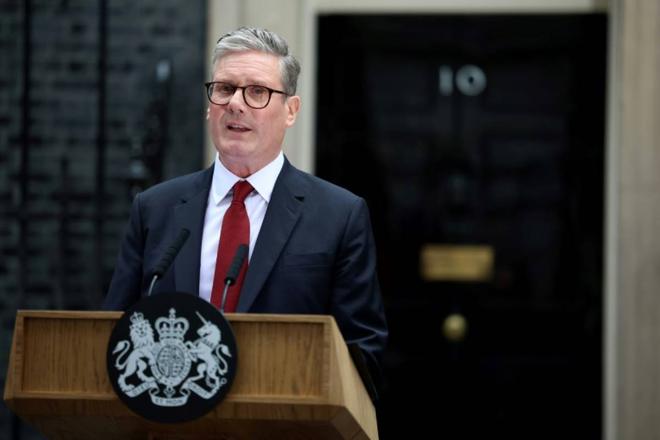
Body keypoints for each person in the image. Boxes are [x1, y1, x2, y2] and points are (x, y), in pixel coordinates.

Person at [103, 27, 387, 384]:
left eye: (257, 91)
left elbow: (363, 352)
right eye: (224, 89)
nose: (235, 103)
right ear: (210, 107)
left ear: (291, 111)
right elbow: (114, 332)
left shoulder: (338, 215)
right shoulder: (155, 209)